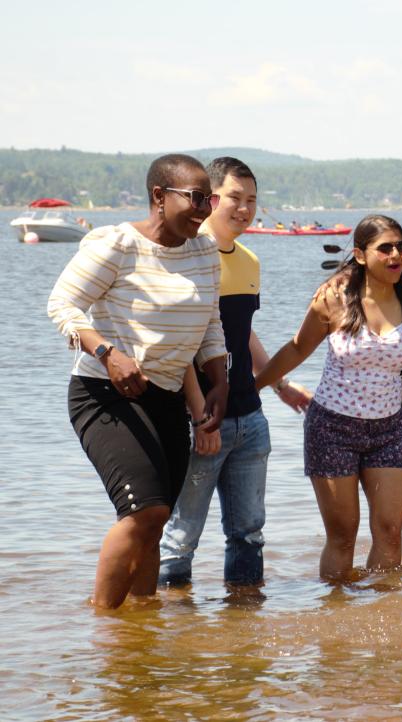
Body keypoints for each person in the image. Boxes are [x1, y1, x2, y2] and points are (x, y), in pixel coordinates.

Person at [47, 153, 228, 609]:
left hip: (166, 397)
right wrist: (107, 354)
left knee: (154, 521)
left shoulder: (205, 251)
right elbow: (61, 305)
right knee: (145, 510)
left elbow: (210, 322)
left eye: (210, 199)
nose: (205, 209)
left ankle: (141, 626)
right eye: (195, 198)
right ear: (159, 196)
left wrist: (218, 381)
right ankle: (105, 625)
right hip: (105, 394)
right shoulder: (117, 245)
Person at [158, 157, 312, 589]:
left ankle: (243, 632)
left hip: (251, 419)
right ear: (210, 199)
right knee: (180, 539)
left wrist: (278, 384)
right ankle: (173, 638)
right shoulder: (186, 254)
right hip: (201, 420)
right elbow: (182, 344)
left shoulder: (248, 261)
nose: (244, 209)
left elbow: (242, 333)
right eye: (234, 199)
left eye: (252, 201)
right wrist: (200, 417)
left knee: (248, 536)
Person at [255, 215, 402, 580]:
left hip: (388, 429)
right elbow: (297, 348)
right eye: (386, 248)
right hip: (332, 427)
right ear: (361, 255)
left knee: (390, 533)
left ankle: (381, 618)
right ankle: (336, 618)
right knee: (343, 537)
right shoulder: (334, 299)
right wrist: (253, 386)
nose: (396, 255)